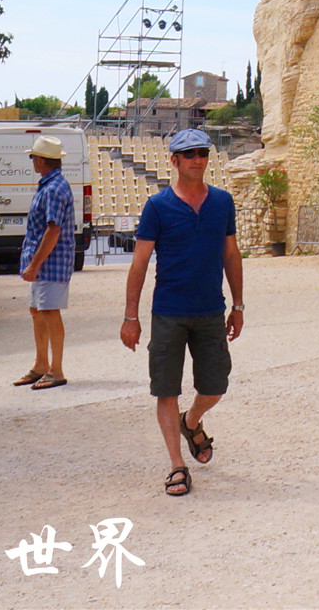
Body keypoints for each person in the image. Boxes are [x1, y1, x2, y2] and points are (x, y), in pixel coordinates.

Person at [120, 127, 242, 499]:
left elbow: (231, 254)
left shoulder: (222, 202)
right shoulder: (157, 206)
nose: (197, 160)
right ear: (174, 161)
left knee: (216, 385)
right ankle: (177, 464)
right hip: (169, 312)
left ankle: (192, 421)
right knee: (166, 388)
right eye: (189, 154)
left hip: (210, 310)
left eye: (202, 153)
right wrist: (130, 316)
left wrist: (238, 305)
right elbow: (140, 262)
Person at [16, 134, 78, 389]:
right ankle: (42, 364)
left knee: (49, 312)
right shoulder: (51, 185)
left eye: (33, 157)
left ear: (40, 160)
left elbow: (53, 230)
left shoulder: (52, 189)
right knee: (38, 311)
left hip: (51, 263)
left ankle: (56, 369)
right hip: (47, 262)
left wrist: (34, 264)